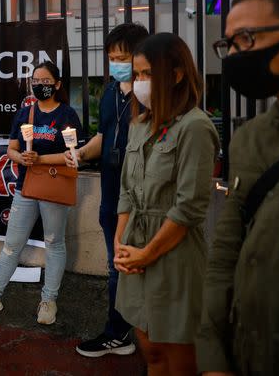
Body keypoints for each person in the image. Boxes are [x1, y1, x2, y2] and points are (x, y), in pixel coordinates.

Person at [196, 0, 279, 376]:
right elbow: (225, 254)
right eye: (228, 44)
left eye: (247, 39)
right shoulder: (249, 139)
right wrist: (213, 360)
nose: (233, 55)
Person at [112, 33, 219, 376]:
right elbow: (126, 191)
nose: (139, 83)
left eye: (147, 74)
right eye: (137, 74)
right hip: (136, 249)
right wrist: (120, 243)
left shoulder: (195, 128)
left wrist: (148, 253)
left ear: (175, 75)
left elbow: (189, 208)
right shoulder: (138, 125)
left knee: (179, 360)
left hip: (173, 256)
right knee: (152, 353)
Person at [0, 61, 83, 325]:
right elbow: (11, 149)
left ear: (58, 84)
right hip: (26, 188)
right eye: (36, 81)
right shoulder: (25, 113)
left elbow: (73, 155)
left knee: (54, 244)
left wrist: (39, 159)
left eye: (46, 82)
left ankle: (48, 301)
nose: (41, 86)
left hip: (54, 188)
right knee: (11, 246)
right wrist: (22, 157)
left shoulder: (67, 116)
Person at [69, 23, 149, 357]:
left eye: (123, 57)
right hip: (110, 193)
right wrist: (79, 154)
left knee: (130, 268)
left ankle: (123, 333)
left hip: (141, 201)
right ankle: (124, 332)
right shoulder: (110, 93)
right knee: (116, 267)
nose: (116, 63)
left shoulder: (150, 96)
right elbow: (104, 139)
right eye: (112, 57)